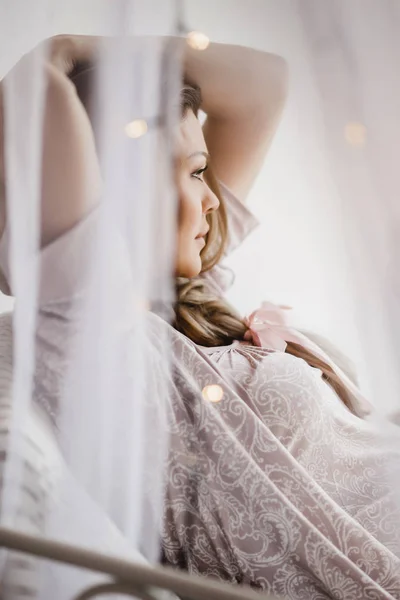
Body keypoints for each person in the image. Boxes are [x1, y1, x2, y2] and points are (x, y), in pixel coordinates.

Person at [1, 35, 400, 600]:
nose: (212, 198)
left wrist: (83, 45)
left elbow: (264, 83)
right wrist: (51, 59)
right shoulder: (96, 327)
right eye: (193, 173)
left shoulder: (191, 288)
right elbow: (36, 94)